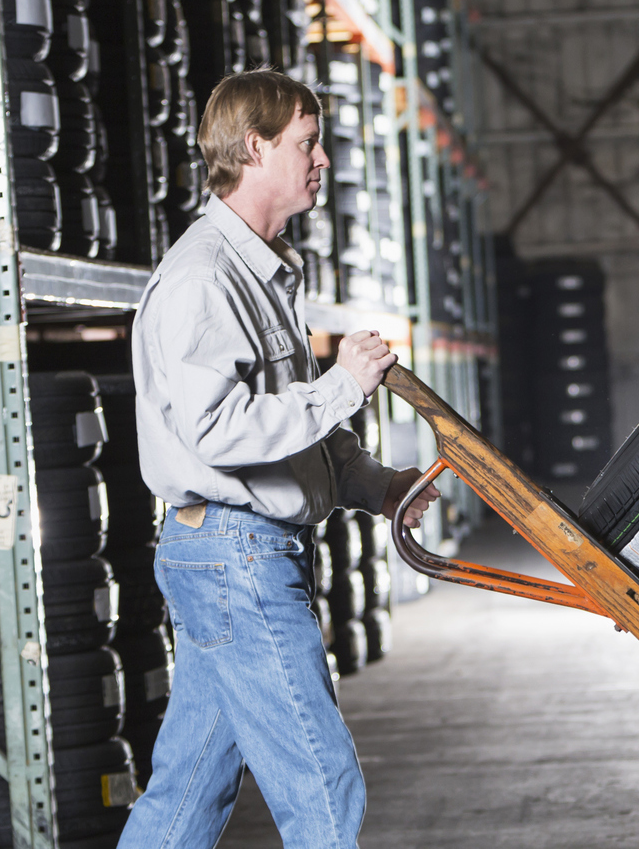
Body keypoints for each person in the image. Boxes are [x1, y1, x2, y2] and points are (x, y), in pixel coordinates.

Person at [119, 68, 439, 849]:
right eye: (306, 141)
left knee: (187, 792)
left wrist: (379, 485)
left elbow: (292, 428)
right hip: (233, 551)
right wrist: (342, 386)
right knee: (321, 781)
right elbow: (219, 430)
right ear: (254, 147)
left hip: (231, 550)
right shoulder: (205, 277)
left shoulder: (262, 270)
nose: (322, 157)